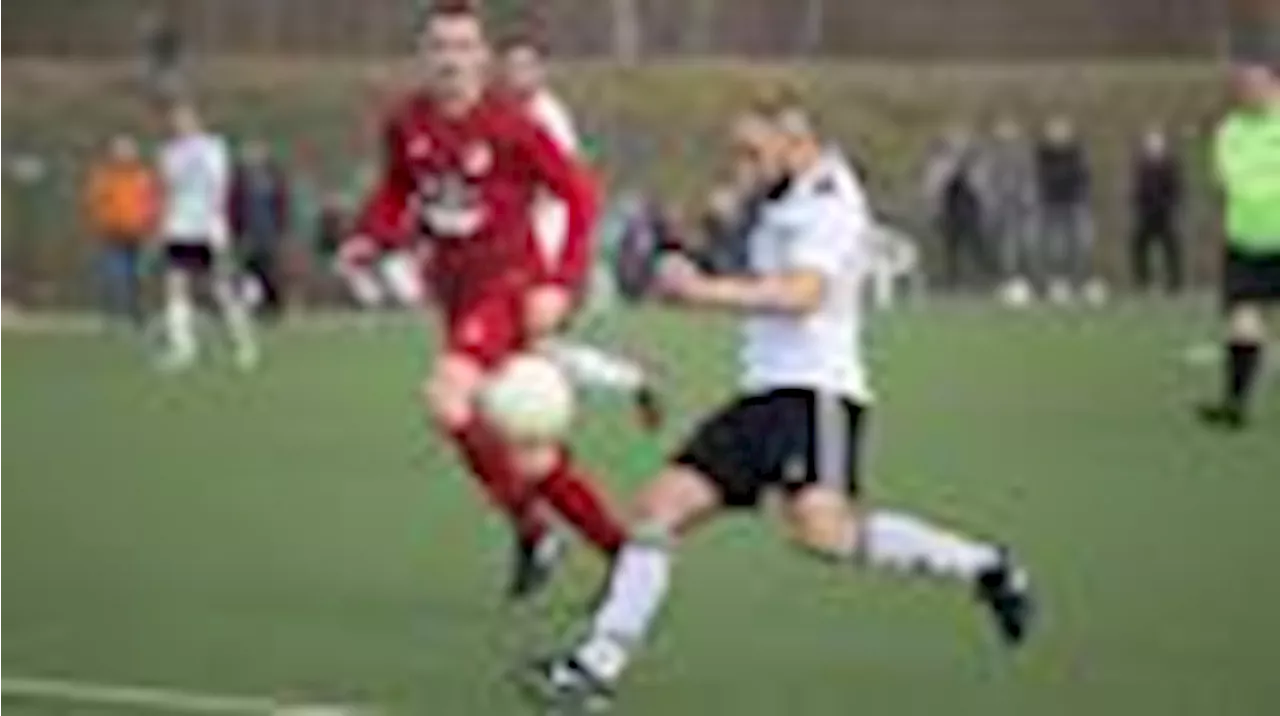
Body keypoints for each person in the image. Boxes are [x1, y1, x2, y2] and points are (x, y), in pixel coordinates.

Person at [522, 96, 1034, 711]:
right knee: (658, 511)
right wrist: (684, 250)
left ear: (795, 138)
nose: (742, 165)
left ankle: (985, 566)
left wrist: (703, 291)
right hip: (760, 393)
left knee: (825, 532)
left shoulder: (829, 202)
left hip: (817, 394)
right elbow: (729, 242)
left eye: (753, 151)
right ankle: (592, 670)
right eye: (738, 151)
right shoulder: (777, 188)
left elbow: (802, 294)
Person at [339, 2, 627, 600]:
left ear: (483, 58)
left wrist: (560, 280)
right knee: (528, 455)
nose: (451, 59)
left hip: (510, 288)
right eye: (440, 47)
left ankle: (532, 526)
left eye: (464, 47)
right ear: (425, 57)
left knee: (448, 399)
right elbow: (397, 192)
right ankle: (620, 557)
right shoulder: (406, 122)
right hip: (456, 293)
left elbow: (578, 195)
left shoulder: (513, 125)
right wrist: (371, 236)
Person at [496, 33, 660, 428]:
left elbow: (566, 184)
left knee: (531, 344)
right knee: (529, 346)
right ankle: (628, 381)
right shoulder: (506, 114)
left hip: (548, 250)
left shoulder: (547, 117)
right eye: (511, 66)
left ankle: (596, 392)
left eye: (526, 66)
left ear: (540, 72)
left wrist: (563, 265)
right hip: (522, 247)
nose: (517, 74)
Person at [1198, 58, 1280, 430]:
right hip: (1245, 241)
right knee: (1242, 322)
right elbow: (1226, 178)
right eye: (1245, 86)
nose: (1251, 92)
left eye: (1260, 85)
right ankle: (1235, 404)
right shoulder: (1229, 130)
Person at [156, 101, 259, 371]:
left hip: (208, 228)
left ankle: (243, 344)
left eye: (185, 120)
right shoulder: (168, 153)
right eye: (176, 121)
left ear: (196, 121)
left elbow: (218, 184)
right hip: (179, 227)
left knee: (220, 288)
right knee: (175, 286)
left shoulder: (212, 148)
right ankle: (183, 348)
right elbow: (168, 188)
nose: (180, 126)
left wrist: (215, 222)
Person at [84, 133, 160, 328]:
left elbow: (152, 201)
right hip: (112, 233)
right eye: (119, 150)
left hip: (138, 233)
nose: (123, 154)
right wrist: (101, 223)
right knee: (115, 276)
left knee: (138, 277)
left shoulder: (143, 176)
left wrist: (151, 225)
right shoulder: (104, 176)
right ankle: (115, 314)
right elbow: (95, 202)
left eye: (127, 149)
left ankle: (138, 314)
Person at [1035, 116, 1097, 304]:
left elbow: (1084, 177)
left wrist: (1082, 197)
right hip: (1052, 204)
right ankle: (1057, 282)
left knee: (1080, 244)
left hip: (1074, 203)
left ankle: (1079, 281)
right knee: (1056, 246)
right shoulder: (1043, 154)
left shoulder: (1076, 153)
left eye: (1062, 131)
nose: (1059, 135)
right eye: (1055, 131)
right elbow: (1041, 179)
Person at [924, 127, 993, 291]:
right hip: (949, 213)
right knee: (951, 250)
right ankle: (952, 281)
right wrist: (934, 210)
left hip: (969, 213)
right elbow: (933, 190)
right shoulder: (940, 166)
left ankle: (982, 279)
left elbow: (980, 189)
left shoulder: (975, 166)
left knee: (976, 247)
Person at [229, 139, 291, 319]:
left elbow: (281, 204)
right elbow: (234, 206)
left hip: (268, 230)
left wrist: (280, 227)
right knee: (249, 270)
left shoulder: (272, 177)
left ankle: (272, 305)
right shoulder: (241, 180)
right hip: (249, 231)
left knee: (268, 270)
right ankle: (254, 305)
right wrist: (236, 229)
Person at [986, 117, 1039, 305]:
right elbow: (988, 182)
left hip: (1022, 208)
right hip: (1002, 209)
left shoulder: (1023, 155)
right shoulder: (993, 156)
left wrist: (1026, 198)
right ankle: (1007, 281)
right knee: (1006, 248)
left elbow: (1029, 181)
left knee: (1026, 244)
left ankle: (1027, 282)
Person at [1129, 127, 1184, 294]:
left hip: (1165, 213)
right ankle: (1143, 281)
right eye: (1151, 144)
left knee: (1170, 246)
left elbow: (1176, 189)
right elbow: (1138, 189)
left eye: (1157, 144)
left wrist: (1169, 205)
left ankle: (1174, 282)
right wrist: (1139, 205)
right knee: (1139, 245)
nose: (1154, 147)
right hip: (1146, 213)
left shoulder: (1169, 165)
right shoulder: (1142, 166)